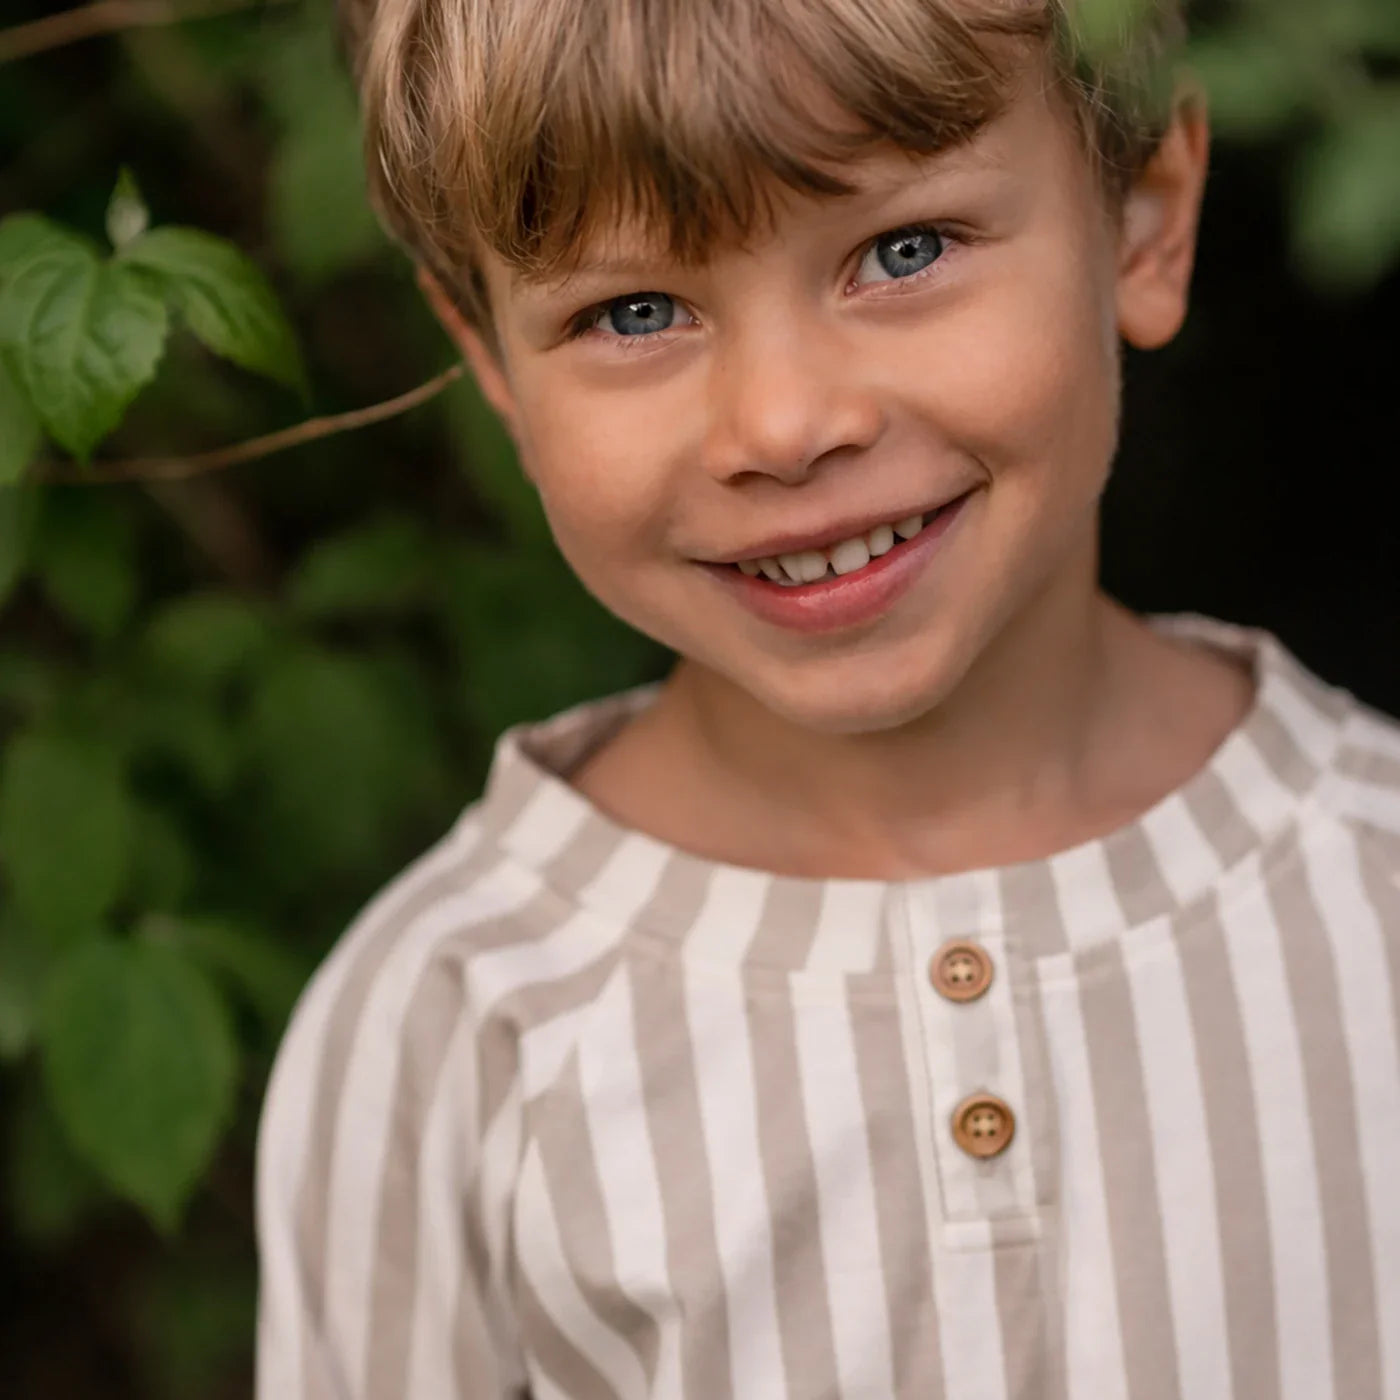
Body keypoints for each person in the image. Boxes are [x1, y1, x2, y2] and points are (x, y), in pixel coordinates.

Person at [255, 1, 1400, 1395]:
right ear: (492, 357)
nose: (785, 426)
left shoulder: (1376, 891)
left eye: (901, 251)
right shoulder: (446, 1030)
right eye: (633, 312)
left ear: (1146, 215)